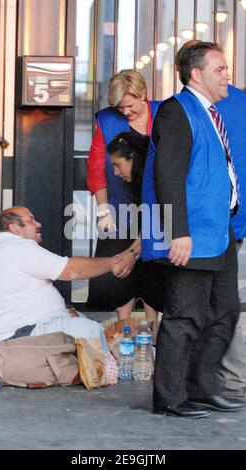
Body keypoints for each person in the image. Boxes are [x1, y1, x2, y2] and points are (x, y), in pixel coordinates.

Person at [141, 41, 246, 418]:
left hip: (219, 233)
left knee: (225, 313)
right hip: (192, 235)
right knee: (184, 317)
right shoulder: (177, 111)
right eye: (220, 68)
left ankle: (203, 388)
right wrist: (178, 231)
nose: (228, 75)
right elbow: (168, 175)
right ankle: (171, 399)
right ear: (197, 74)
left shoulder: (211, 112)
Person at [175, 40, 246, 399]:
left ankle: (216, 377)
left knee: (204, 303)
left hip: (211, 221)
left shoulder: (206, 108)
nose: (225, 74)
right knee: (223, 303)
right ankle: (227, 376)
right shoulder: (245, 103)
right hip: (238, 215)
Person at [0, 206, 127, 351]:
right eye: (31, 220)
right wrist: (114, 263)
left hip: (19, 332)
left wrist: (65, 310)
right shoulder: (16, 248)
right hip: (17, 337)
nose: (38, 224)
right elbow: (72, 270)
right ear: (14, 228)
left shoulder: (5, 248)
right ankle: (113, 373)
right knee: (90, 331)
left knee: (84, 323)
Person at [87, 69, 160, 320]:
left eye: (129, 106)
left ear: (144, 96)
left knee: (153, 267)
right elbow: (96, 168)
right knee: (120, 268)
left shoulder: (163, 114)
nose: (125, 112)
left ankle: (154, 329)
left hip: (158, 204)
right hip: (120, 206)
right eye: (120, 107)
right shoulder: (107, 120)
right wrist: (103, 209)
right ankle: (123, 328)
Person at [106, 131, 164, 323]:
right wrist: (131, 253)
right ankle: (124, 330)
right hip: (155, 233)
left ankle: (152, 334)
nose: (115, 172)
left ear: (133, 158)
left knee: (148, 266)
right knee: (129, 259)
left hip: (172, 237)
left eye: (118, 165)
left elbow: (156, 226)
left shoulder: (155, 179)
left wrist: (132, 253)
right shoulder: (140, 181)